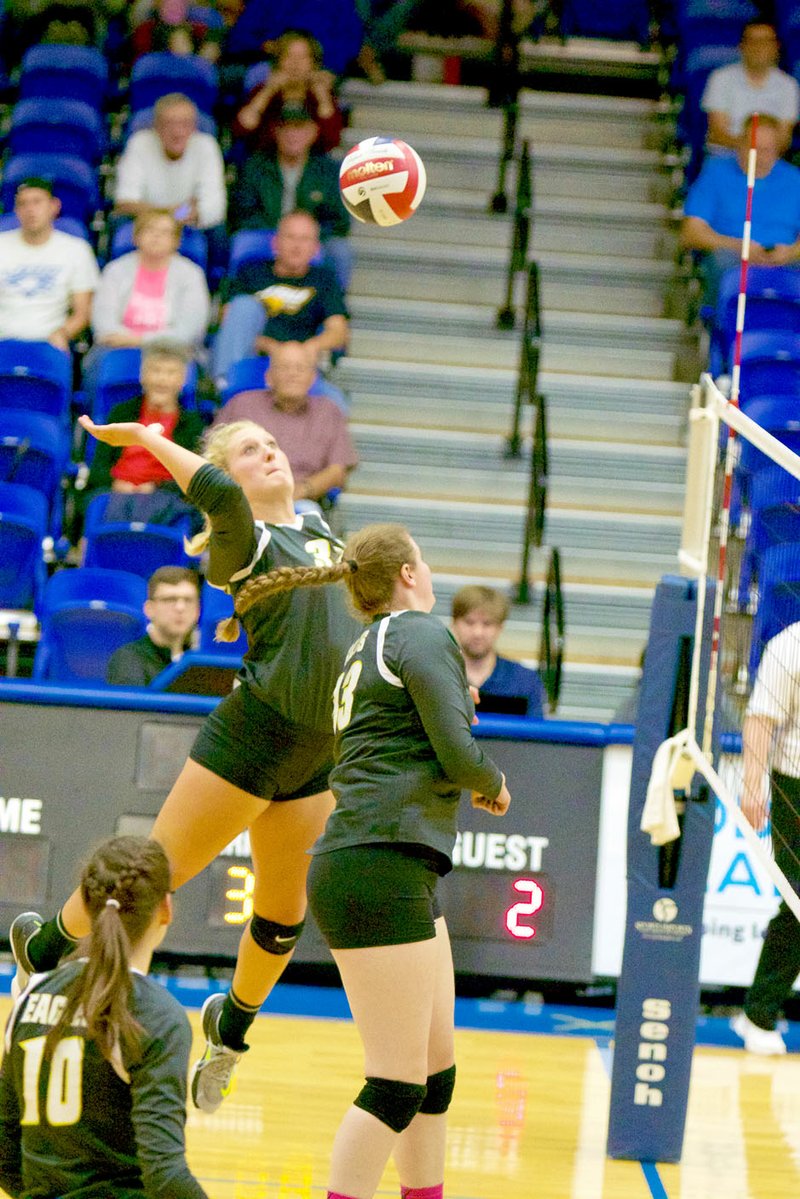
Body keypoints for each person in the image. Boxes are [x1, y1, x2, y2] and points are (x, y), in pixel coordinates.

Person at [10, 414, 361, 1116]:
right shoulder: (241, 536)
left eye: (271, 444)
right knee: (149, 876)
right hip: (254, 735)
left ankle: (228, 1031)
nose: (268, 453)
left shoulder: (323, 528)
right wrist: (145, 439)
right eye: (247, 452)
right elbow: (220, 497)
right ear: (223, 478)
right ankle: (46, 946)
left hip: (321, 748)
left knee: (284, 914)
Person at [305, 522, 511, 1199]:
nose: (428, 568)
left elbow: (408, 729)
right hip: (377, 858)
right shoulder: (419, 631)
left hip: (392, 860)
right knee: (395, 1082)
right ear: (407, 575)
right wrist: (491, 780)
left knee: (432, 1070)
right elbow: (455, 750)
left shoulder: (372, 645)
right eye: (422, 556)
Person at [0, 835, 209, 1199]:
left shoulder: (31, 997)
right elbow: (165, 1175)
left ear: (84, 903)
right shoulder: (155, 1014)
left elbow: (3, 1151)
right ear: (166, 909)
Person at [732, 622, 800, 1056]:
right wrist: (752, 784)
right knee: (797, 900)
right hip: (795, 783)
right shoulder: (790, 644)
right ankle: (758, 1012)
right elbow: (760, 719)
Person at [211, 209, 350, 388]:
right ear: (275, 242)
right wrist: (270, 346)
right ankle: (225, 387)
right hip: (251, 355)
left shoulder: (325, 279)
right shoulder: (250, 271)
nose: (297, 246)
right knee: (244, 305)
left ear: (315, 248)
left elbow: (338, 332)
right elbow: (229, 321)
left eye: (305, 239)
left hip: (299, 365)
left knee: (336, 406)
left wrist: (307, 348)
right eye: (290, 237)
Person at [213, 340, 358, 510]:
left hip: (300, 500)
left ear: (313, 378)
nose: (292, 374)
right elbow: (213, 456)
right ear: (269, 377)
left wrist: (301, 490)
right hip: (242, 497)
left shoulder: (328, 411)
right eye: (284, 367)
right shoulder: (242, 405)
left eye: (300, 368)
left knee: (307, 512)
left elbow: (337, 471)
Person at [681, 115, 800, 309]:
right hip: (732, 256)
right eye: (753, 149)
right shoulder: (715, 172)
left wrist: (791, 252)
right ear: (739, 145)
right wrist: (740, 247)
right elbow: (691, 233)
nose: (759, 158)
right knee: (722, 264)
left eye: (766, 151)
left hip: (784, 261)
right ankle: (721, 332)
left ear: (778, 151)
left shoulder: (795, 180)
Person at [231, 103, 352, 292]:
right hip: (266, 233)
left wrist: (306, 236)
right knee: (241, 243)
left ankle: (332, 312)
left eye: (300, 128)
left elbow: (339, 221)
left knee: (340, 251)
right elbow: (242, 212)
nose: (293, 135)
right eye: (286, 128)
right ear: (275, 132)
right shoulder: (255, 166)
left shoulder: (328, 170)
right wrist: (282, 237)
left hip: (311, 237)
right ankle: (231, 305)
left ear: (314, 132)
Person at [81, 338, 205, 522]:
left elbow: (191, 478)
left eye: (170, 373)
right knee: (98, 505)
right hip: (116, 491)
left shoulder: (192, 424)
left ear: (182, 380)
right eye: (155, 371)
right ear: (143, 375)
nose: (162, 379)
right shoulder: (121, 413)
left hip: (163, 496)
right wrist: (117, 484)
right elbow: (99, 465)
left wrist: (154, 487)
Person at [113, 93, 227, 279]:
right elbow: (125, 202)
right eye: (169, 123)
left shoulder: (206, 146)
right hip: (143, 220)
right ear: (156, 127)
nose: (178, 132)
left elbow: (213, 208)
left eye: (185, 124)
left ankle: (213, 289)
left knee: (218, 232)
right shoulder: (139, 143)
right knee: (118, 224)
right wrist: (171, 212)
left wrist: (183, 213)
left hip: (188, 222)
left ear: (194, 127)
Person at [89, 208, 211, 354]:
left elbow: (188, 331)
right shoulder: (115, 270)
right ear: (136, 237)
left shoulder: (191, 274)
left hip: (170, 350)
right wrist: (128, 341)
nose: (156, 236)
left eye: (165, 232)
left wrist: (139, 341)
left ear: (176, 241)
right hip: (117, 346)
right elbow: (103, 322)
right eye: (149, 229)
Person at [0, 178, 99, 350]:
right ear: (16, 211)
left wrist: (63, 334)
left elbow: (83, 312)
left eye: (37, 202)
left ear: (54, 206)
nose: (30, 210)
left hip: (51, 341)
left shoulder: (77, 249)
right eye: (23, 204)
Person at [232, 28, 347, 153]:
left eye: (303, 57)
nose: (295, 64)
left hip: (310, 164)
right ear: (278, 61)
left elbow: (331, 139)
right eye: (288, 56)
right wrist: (267, 91)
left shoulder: (318, 96)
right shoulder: (262, 90)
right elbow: (241, 130)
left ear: (313, 63)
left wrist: (322, 97)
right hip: (265, 161)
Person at [702, 20, 799, 155]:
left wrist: (759, 155)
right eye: (752, 41)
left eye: (765, 41)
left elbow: (783, 139)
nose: (758, 47)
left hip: (769, 160)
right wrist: (750, 152)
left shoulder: (789, 85)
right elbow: (718, 133)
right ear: (741, 46)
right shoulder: (721, 78)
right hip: (726, 157)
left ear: (776, 47)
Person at [450, 584, 546, 719]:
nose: (478, 632)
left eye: (487, 624)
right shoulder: (434, 675)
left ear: (500, 627)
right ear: (454, 623)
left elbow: (536, 735)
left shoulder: (525, 680)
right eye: (469, 622)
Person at [107, 565, 201, 687]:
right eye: (170, 599)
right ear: (149, 609)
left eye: (188, 600)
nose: (180, 608)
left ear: (198, 610)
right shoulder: (128, 659)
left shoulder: (201, 665)